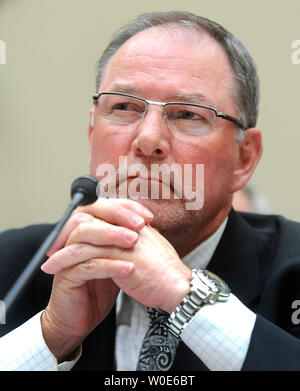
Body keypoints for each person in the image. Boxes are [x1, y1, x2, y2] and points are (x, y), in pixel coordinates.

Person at [0, 10, 300, 371]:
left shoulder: (292, 273)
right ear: (93, 134)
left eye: (188, 114)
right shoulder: (14, 266)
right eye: (124, 107)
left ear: (243, 158)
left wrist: (188, 298)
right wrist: (52, 336)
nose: (148, 139)